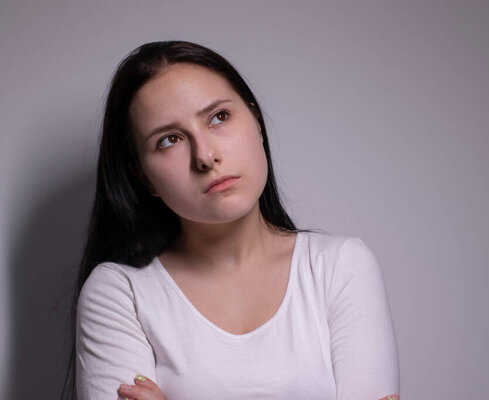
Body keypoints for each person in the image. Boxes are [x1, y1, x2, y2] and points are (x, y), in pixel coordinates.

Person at [74, 40, 400, 400]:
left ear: (256, 121)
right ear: (143, 176)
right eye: (170, 140)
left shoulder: (340, 267)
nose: (206, 156)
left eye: (219, 117)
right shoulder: (121, 294)